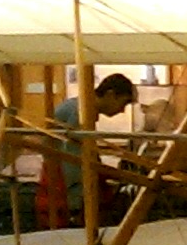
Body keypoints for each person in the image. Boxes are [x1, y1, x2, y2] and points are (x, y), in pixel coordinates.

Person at [44, 73, 136, 224]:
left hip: (62, 182)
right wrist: (78, 203)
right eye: (124, 103)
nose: (122, 110)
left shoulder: (81, 108)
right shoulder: (80, 113)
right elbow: (74, 162)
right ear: (110, 94)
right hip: (63, 190)